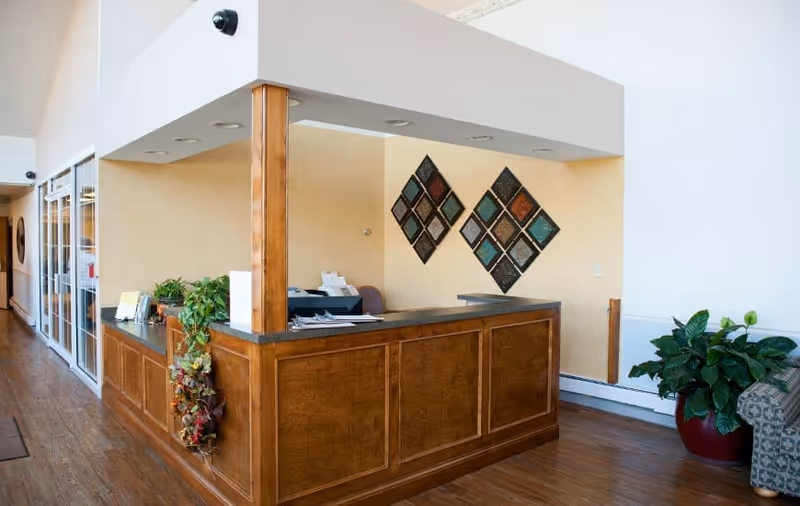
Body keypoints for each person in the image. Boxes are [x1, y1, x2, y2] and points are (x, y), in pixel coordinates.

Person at [78, 237, 97, 332]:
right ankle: (84, 322)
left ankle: (84, 321)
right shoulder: (90, 258)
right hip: (89, 286)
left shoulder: (74, 256)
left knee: (83, 304)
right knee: (86, 303)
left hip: (80, 285)